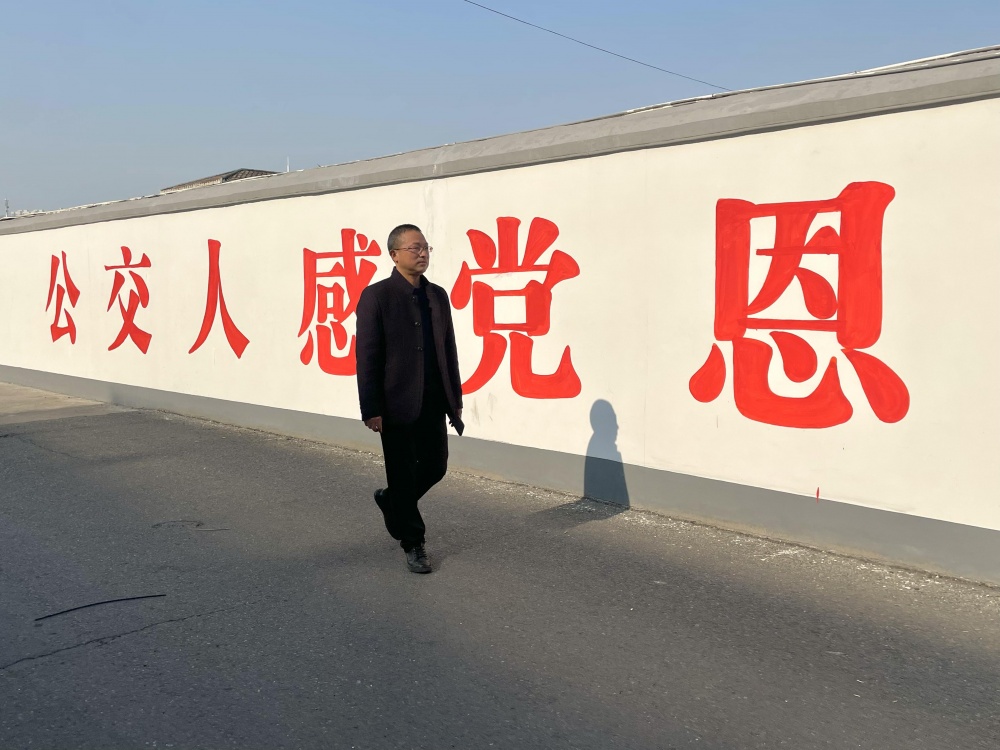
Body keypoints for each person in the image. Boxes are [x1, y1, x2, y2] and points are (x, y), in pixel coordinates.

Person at [355, 224, 464, 573]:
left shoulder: (437, 296)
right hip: (395, 404)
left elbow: (449, 349)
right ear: (394, 255)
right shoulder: (377, 296)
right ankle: (413, 542)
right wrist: (371, 408)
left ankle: (392, 501)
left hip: (433, 399)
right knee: (402, 474)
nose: (422, 253)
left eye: (425, 247)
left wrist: (455, 398)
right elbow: (367, 357)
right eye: (414, 248)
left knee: (436, 466)